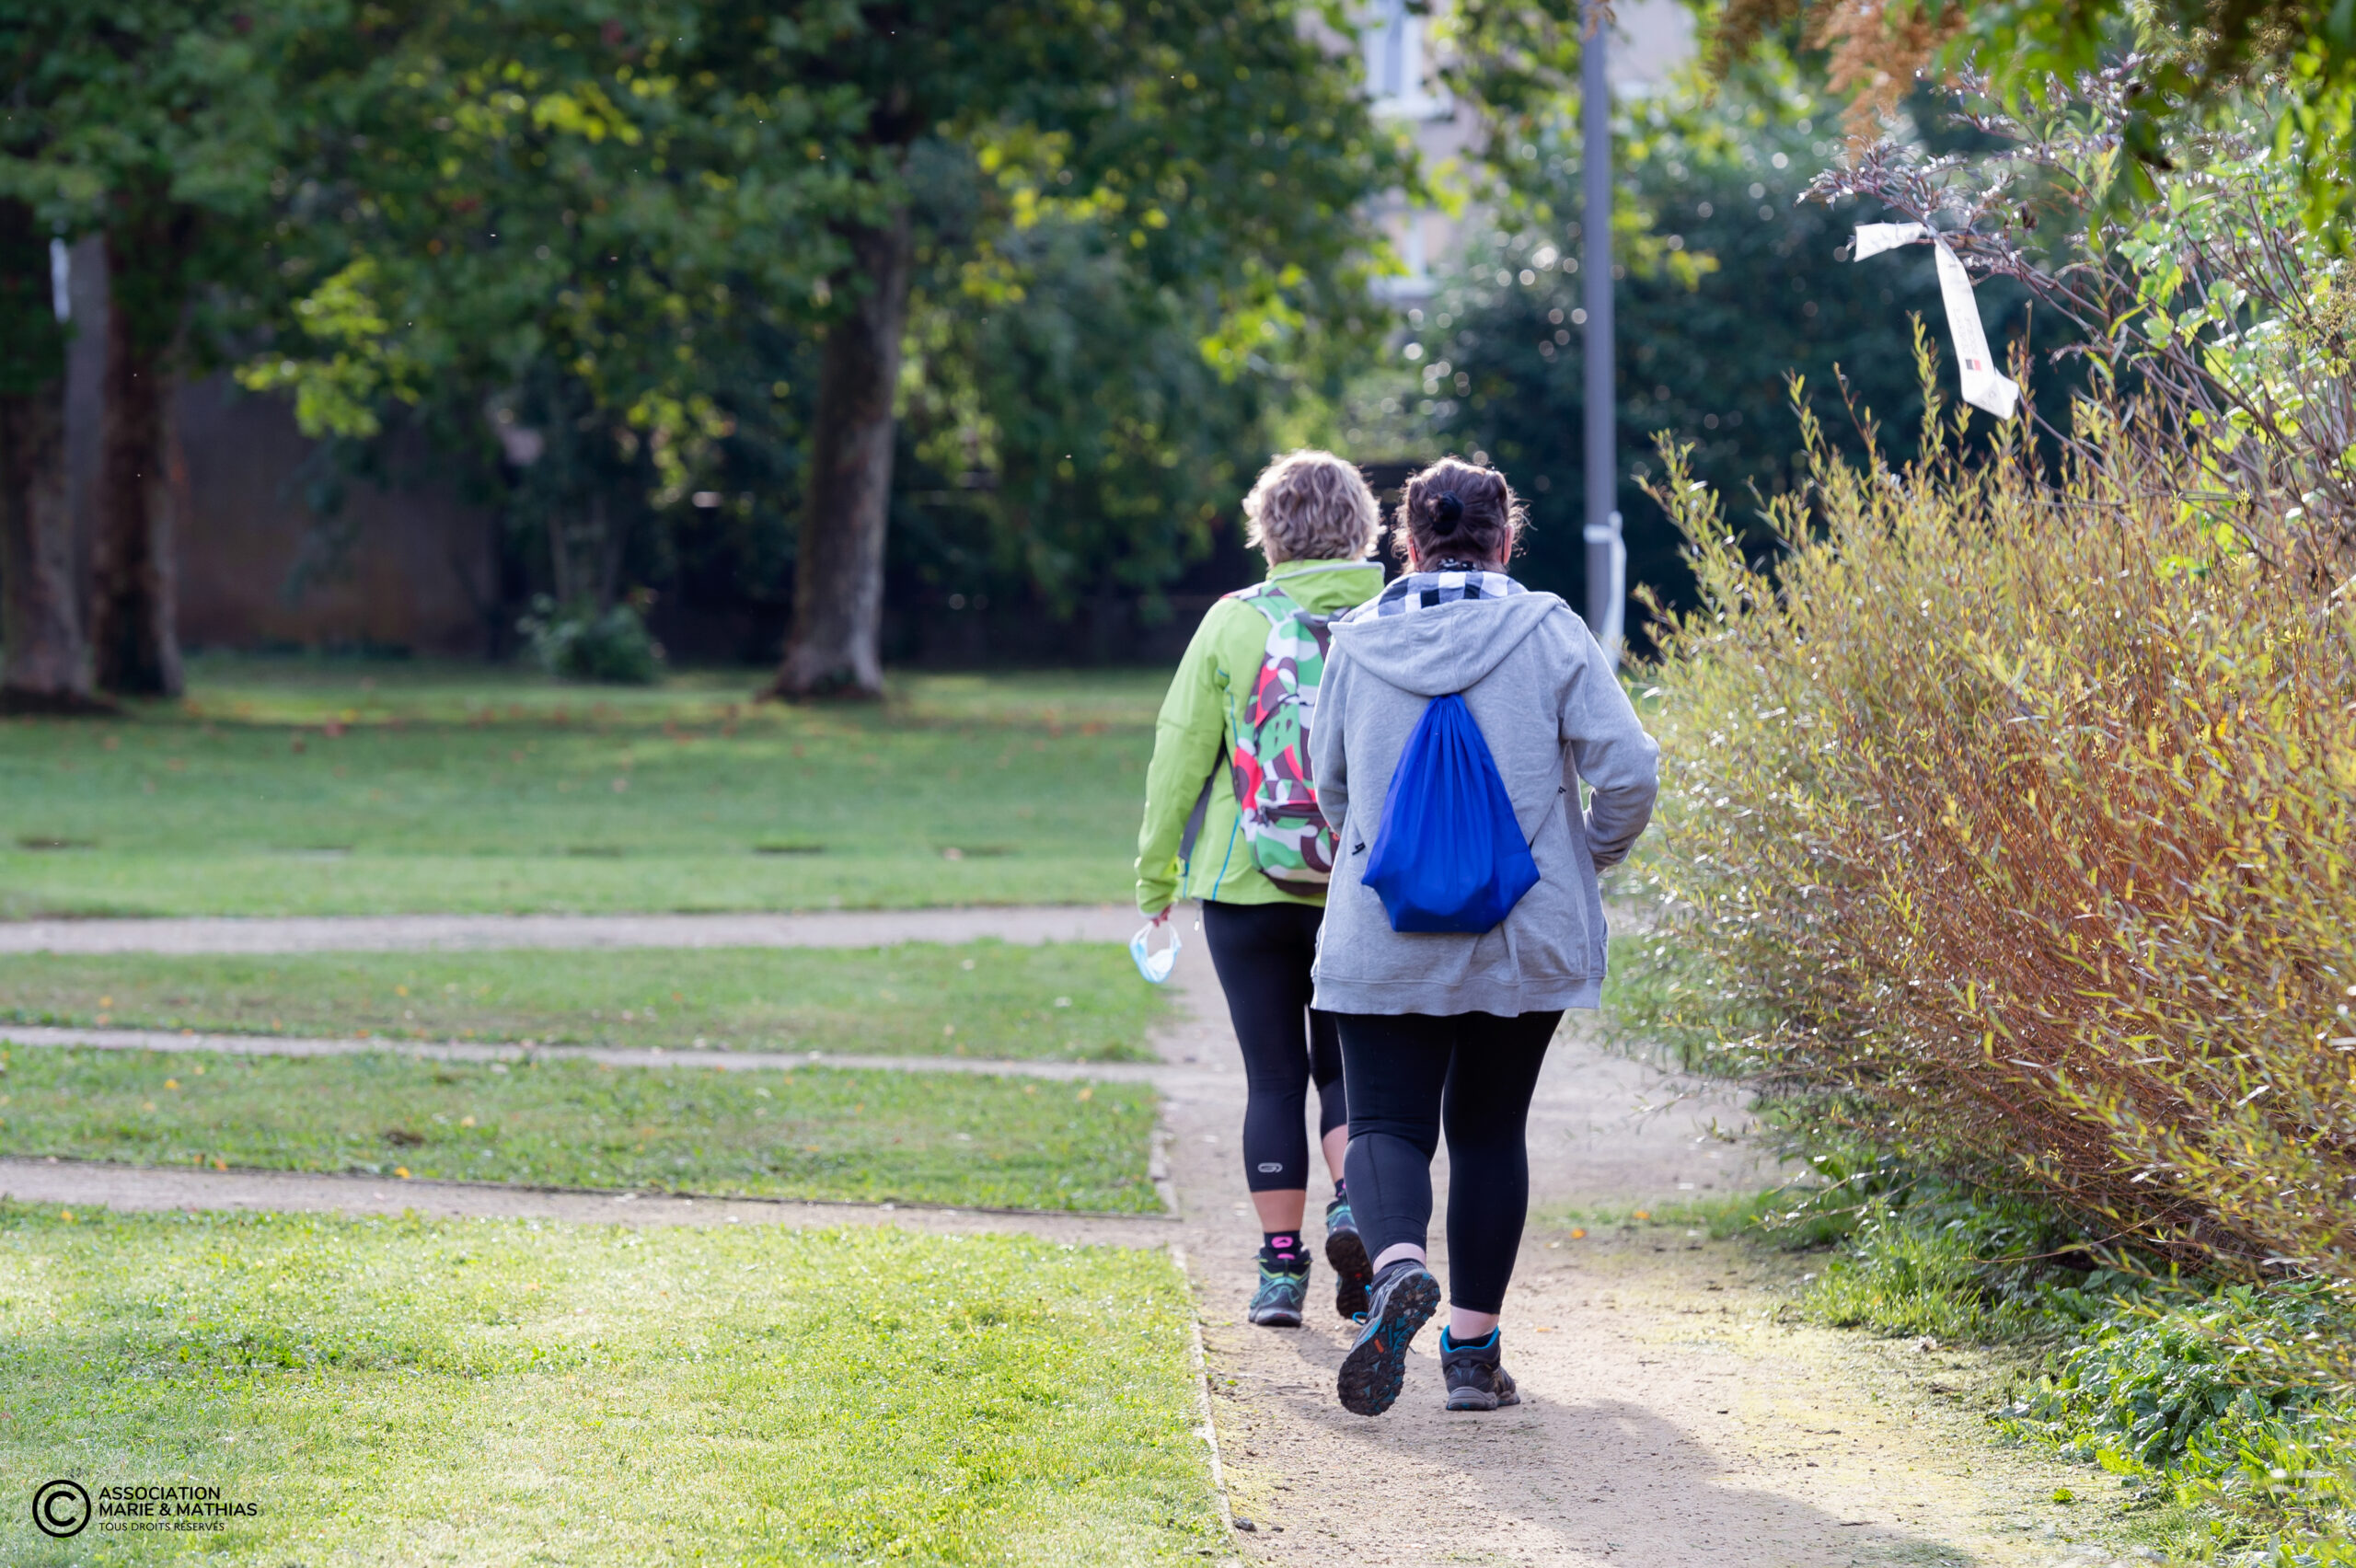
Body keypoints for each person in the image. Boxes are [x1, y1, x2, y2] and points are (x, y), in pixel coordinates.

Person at [1308, 455, 1658, 1415]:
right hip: (1524, 931)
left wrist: (1388, 858)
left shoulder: (1356, 642)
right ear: (1506, 540)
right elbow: (1629, 771)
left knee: (1383, 1123)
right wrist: (1587, 856)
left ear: (1407, 543)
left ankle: (1397, 1268)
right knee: (1490, 1130)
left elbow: (1331, 788)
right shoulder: (1549, 630)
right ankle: (1471, 1358)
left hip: (1383, 929)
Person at [1136, 450, 1387, 1327]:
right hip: (1362, 885)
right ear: (1364, 527)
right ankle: (1352, 1206)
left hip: (1245, 883)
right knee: (1347, 1072)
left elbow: (1179, 758)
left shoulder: (1234, 621)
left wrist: (1157, 877)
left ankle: (1280, 1272)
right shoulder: (1395, 615)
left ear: (1267, 530)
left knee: (1273, 1079)